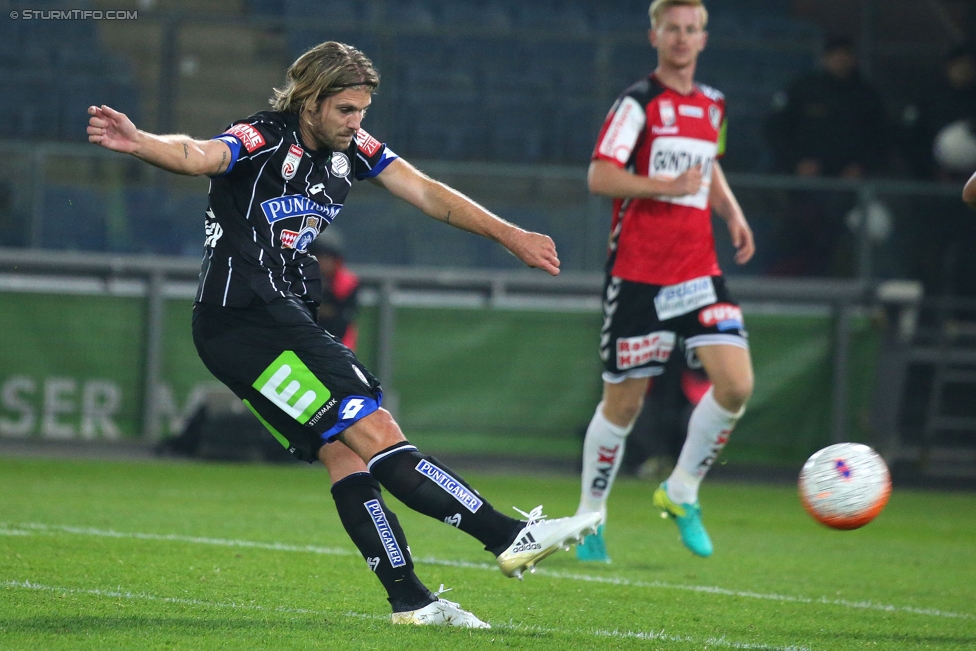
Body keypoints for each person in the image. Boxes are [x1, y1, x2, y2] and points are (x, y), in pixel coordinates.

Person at [87, 41, 600, 629]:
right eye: (346, 111)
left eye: (362, 111)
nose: (357, 123)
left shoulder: (350, 148)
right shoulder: (261, 137)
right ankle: (509, 537)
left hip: (261, 328)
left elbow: (427, 191)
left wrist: (510, 235)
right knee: (376, 429)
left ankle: (410, 600)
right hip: (250, 321)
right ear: (309, 101)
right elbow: (199, 154)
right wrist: (141, 142)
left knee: (343, 451)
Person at [574, 0, 755, 563]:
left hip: (699, 271)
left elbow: (708, 166)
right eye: (671, 28)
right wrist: (666, 186)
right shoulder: (637, 103)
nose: (681, 38)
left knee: (737, 385)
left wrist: (730, 211)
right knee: (622, 406)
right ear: (654, 34)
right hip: (639, 276)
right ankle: (589, 520)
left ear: (704, 38)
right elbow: (600, 175)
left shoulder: (713, 104)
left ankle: (681, 491)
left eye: (691, 29)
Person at [308, 230, 359, 350]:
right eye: (320, 258)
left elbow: (344, 319)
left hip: (339, 342)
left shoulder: (347, 283)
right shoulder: (300, 281)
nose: (324, 263)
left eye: (328, 259)